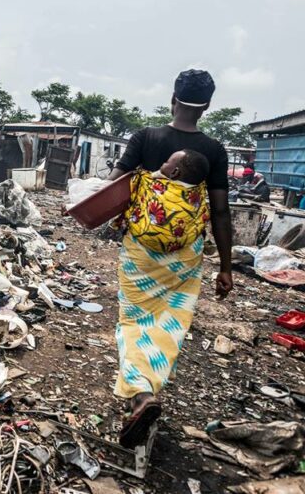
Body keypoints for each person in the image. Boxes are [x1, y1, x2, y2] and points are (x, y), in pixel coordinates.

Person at [106, 69, 233, 448]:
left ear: (172, 99)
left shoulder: (146, 137)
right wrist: (226, 267)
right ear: (207, 106)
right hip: (185, 254)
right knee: (171, 320)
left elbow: (115, 186)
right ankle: (151, 379)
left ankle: (141, 394)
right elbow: (221, 211)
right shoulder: (214, 150)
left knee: (133, 319)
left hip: (142, 251)